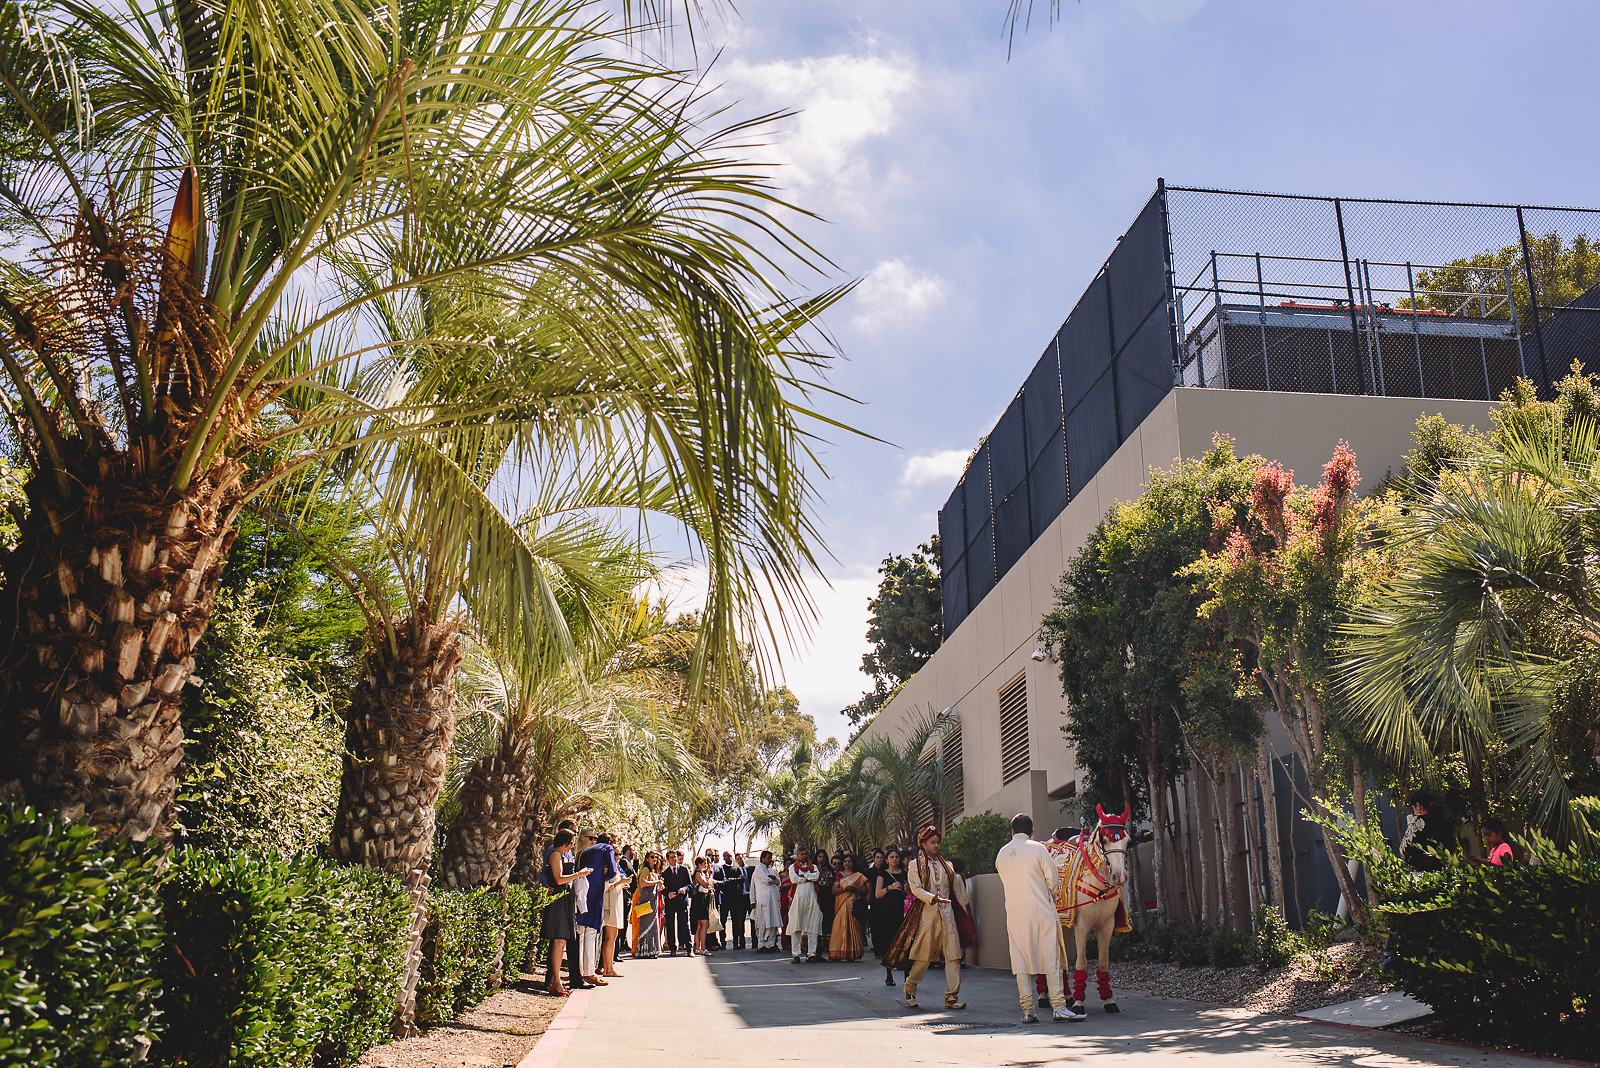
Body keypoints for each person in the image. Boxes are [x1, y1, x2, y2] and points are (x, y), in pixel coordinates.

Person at [996, 813, 1079, 1023]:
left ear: (1012, 831)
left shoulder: (1002, 854)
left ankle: (1028, 1011)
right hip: (1041, 910)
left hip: (1015, 915)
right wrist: (1047, 895)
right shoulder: (1038, 848)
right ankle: (1059, 1007)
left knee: (1021, 962)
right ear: (1032, 831)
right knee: (1051, 957)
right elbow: (1053, 879)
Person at [897, 825, 968, 1011]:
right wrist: (932, 898)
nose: (936, 845)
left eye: (938, 842)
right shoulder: (914, 865)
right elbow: (916, 889)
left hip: (948, 914)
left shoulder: (948, 865)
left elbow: (957, 889)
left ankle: (952, 997)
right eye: (932, 842)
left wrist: (964, 909)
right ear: (923, 844)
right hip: (928, 914)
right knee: (923, 956)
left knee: (954, 955)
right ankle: (910, 988)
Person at [538, 829, 591, 997]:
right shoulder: (556, 855)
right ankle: (556, 982)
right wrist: (579, 874)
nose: (572, 845)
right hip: (559, 901)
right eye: (571, 842)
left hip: (565, 900)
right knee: (558, 941)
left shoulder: (563, 856)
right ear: (565, 841)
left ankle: (555, 981)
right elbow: (559, 878)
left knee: (561, 942)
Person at [575, 832, 612, 986]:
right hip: (595, 893)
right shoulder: (606, 849)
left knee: (582, 933)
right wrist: (604, 875)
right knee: (590, 933)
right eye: (590, 838)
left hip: (582, 893)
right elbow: (612, 871)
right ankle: (589, 971)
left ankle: (581, 971)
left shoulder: (582, 853)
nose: (593, 841)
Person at [871, 847, 908, 984]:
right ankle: (889, 974)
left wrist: (907, 888)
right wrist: (890, 888)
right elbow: (877, 894)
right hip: (887, 912)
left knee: (904, 942)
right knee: (889, 943)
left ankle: (907, 976)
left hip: (902, 910)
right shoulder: (883, 875)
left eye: (897, 857)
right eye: (892, 857)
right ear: (887, 860)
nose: (895, 859)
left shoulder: (904, 873)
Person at [595, 833, 628, 978]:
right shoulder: (607, 867)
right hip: (610, 905)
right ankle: (608, 968)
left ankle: (609, 967)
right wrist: (620, 883)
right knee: (610, 937)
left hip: (615, 903)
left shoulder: (614, 866)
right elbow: (606, 886)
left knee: (612, 937)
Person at [828, 853, 868, 961]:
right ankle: (839, 952)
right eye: (845, 861)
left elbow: (864, 890)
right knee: (839, 925)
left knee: (853, 926)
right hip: (841, 905)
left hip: (853, 904)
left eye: (849, 861)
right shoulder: (839, 875)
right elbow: (834, 890)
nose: (847, 863)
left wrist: (855, 889)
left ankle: (851, 953)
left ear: (853, 863)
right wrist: (847, 889)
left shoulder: (858, 876)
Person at [1401, 792, 1455, 871]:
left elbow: (1404, 849)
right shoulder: (1443, 820)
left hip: (1422, 871)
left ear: (1418, 806)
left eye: (1413, 807)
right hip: (1443, 870)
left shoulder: (1417, 823)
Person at [786, 848, 823, 962]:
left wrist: (803, 877)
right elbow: (793, 879)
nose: (804, 856)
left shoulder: (814, 867)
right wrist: (808, 878)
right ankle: (796, 954)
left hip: (812, 899)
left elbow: (816, 877)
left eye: (806, 854)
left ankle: (811, 954)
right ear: (797, 855)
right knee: (796, 927)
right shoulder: (793, 867)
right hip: (797, 900)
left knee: (813, 926)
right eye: (802, 854)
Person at [631, 851, 663, 958]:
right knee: (645, 926)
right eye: (652, 857)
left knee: (653, 926)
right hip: (645, 901)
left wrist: (658, 885)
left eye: (656, 857)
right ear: (647, 859)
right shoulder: (645, 870)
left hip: (652, 901)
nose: (655, 859)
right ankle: (644, 951)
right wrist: (656, 882)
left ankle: (651, 950)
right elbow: (642, 883)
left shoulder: (654, 871)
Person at [661, 850, 693, 955]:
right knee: (670, 926)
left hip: (682, 901)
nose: (674, 859)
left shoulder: (684, 869)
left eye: (675, 857)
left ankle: (689, 948)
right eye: (671, 857)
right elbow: (662, 888)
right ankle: (672, 949)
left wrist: (684, 889)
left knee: (684, 925)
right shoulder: (665, 873)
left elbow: (690, 885)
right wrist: (668, 893)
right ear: (667, 859)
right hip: (670, 903)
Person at [751, 850, 783, 951]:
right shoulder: (758, 869)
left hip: (773, 900)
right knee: (763, 923)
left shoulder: (773, 869)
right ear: (762, 858)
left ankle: (771, 943)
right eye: (768, 858)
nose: (770, 860)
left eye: (770, 858)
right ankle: (761, 944)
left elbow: (778, 882)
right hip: (763, 900)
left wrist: (774, 880)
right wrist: (773, 880)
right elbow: (766, 880)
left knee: (773, 922)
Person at [722, 851, 750, 949]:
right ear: (723, 857)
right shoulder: (722, 868)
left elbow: (741, 879)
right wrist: (732, 880)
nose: (728, 858)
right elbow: (723, 882)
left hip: (736, 899)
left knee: (736, 921)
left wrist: (731, 880)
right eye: (726, 856)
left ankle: (735, 943)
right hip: (725, 899)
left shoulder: (736, 868)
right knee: (723, 921)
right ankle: (723, 942)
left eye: (730, 856)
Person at [813, 851, 835, 960]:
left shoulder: (830, 870)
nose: (822, 859)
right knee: (816, 924)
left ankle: (826, 948)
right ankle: (816, 951)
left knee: (826, 924)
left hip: (827, 899)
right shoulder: (812, 869)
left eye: (824, 857)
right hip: (816, 898)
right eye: (819, 857)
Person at [691, 856, 715, 955]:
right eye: (704, 863)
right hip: (698, 900)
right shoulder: (698, 873)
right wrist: (710, 877)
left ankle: (699, 947)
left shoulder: (702, 873)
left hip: (702, 899)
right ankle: (701, 947)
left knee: (701, 925)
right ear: (699, 864)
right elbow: (705, 884)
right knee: (703, 924)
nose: (706, 865)